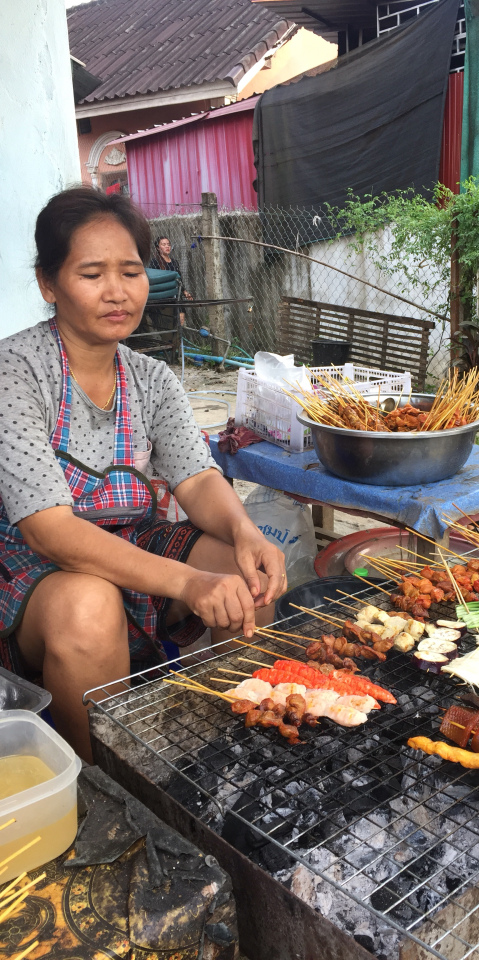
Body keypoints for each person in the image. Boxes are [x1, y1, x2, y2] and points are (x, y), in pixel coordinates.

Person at [0, 187, 286, 762]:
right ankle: (111, 782)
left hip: (131, 538)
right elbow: (49, 530)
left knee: (244, 574)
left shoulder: (152, 377)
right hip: (34, 563)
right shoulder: (15, 370)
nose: (116, 292)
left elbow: (198, 479)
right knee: (89, 605)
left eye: (130, 271)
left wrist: (244, 532)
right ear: (48, 283)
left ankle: (230, 754)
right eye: (91, 273)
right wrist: (185, 582)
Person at [148, 236, 192, 325]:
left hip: (176, 295)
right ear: (158, 247)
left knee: (181, 321)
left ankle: (179, 337)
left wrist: (185, 292)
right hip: (164, 297)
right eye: (164, 244)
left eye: (168, 244)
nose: (167, 246)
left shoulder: (174, 262)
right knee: (167, 323)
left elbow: (179, 279)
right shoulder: (155, 262)